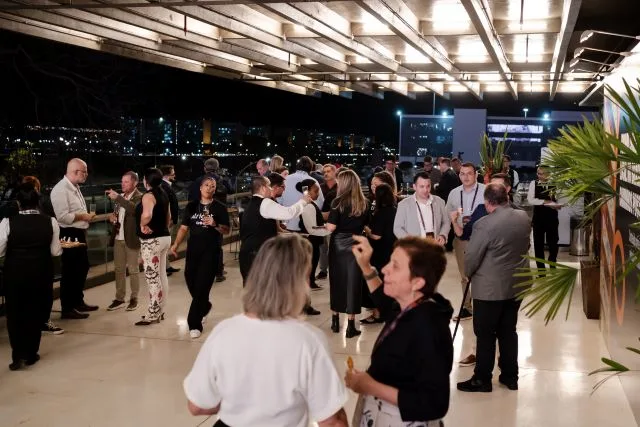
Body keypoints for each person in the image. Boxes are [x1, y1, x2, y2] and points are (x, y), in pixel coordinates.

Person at [183, 234, 349, 427]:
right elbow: (333, 422)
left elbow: (197, 406)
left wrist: (238, 403)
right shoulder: (308, 340)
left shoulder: (224, 331)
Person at [346, 234, 453, 425]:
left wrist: (369, 385)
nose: (385, 269)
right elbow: (386, 303)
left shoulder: (429, 328)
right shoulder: (410, 306)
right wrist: (366, 267)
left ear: (417, 282)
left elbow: (434, 403)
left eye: (395, 266)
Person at [457, 183, 531, 393]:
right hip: (516, 284)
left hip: (490, 288)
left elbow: (472, 257)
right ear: (506, 197)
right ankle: (510, 376)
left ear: (488, 202)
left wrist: (468, 272)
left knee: (486, 333)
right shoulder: (523, 218)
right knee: (509, 331)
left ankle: (482, 379)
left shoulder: (484, 224)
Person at [1, 183, 63, 370]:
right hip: (41, 272)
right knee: (35, 312)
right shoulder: (50, 221)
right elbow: (56, 251)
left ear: (18, 203)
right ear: (38, 203)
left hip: (15, 273)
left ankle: (17, 354)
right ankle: (31, 353)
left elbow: (0, 250)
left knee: (15, 314)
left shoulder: (7, 222)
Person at [171, 177, 230, 338]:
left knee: (202, 286)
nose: (210, 188)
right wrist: (176, 244)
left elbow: (226, 230)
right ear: (200, 188)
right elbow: (183, 228)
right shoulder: (191, 206)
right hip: (193, 251)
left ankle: (194, 324)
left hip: (211, 252)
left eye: (213, 186)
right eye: (207, 185)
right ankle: (205, 306)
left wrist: (214, 225)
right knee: (190, 280)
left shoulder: (219, 208)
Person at [50, 158, 98, 319]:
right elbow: (62, 217)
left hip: (77, 233)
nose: (86, 174)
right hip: (68, 233)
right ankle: (67, 307)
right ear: (75, 171)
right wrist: (83, 216)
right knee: (70, 270)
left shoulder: (74, 187)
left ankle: (77, 301)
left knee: (82, 267)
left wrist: (84, 218)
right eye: (84, 171)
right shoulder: (60, 189)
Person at [239, 176, 310, 283]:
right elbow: (289, 213)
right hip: (259, 255)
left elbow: (262, 230)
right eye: (269, 186)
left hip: (247, 253)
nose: (271, 189)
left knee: (253, 292)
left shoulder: (250, 204)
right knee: (263, 291)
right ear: (263, 188)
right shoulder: (265, 203)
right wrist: (303, 202)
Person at [326, 170, 369, 338]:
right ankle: (351, 325)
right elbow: (366, 225)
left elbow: (331, 228)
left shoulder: (337, 202)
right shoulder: (364, 202)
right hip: (356, 244)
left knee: (337, 281)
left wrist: (323, 226)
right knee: (354, 283)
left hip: (338, 245)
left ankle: (335, 321)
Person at [445, 162, 485, 321]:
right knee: (465, 274)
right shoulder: (454, 193)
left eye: (469, 173)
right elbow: (448, 214)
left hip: (482, 237)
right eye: (462, 173)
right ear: (459, 175)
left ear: (476, 175)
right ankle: (467, 308)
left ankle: (483, 306)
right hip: (461, 237)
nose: (466, 177)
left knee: (482, 274)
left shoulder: (485, 191)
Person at [135, 168, 172, 326]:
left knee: (152, 277)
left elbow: (147, 215)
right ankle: (161, 311)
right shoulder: (163, 193)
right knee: (161, 275)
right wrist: (159, 227)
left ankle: (153, 313)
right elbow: (168, 217)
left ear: (146, 181)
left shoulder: (148, 195)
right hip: (165, 237)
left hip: (152, 241)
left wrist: (143, 224)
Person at [106, 171, 143, 312]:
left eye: (126, 182)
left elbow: (133, 209)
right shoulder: (121, 198)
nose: (123, 184)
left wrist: (118, 198)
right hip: (118, 238)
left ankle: (134, 298)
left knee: (133, 270)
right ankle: (119, 298)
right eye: (122, 181)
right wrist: (112, 217)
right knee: (119, 270)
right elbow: (116, 214)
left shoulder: (140, 197)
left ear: (135, 183)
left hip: (131, 239)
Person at [361, 183, 396, 324]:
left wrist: (366, 229)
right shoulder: (395, 209)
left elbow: (376, 236)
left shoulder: (381, 213)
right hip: (392, 249)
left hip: (380, 252)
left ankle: (378, 314)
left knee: (378, 284)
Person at [394, 171, 450, 244]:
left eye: (428, 186)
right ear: (414, 187)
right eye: (422, 186)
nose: (425, 190)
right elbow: (397, 228)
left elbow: (446, 222)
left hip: (435, 246)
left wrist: (443, 235)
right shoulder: (403, 204)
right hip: (414, 248)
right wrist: (410, 242)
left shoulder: (440, 202)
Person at [297, 179, 331, 291]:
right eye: (316, 191)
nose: (318, 193)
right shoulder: (308, 205)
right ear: (307, 191)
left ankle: (311, 281)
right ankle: (310, 282)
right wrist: (329, 229)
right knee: (312, 261)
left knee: (313, 260)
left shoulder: (309, 204)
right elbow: (312, 228)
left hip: (312, 239)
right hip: (311, 240)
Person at [528, 166, 563, 269]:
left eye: (542, 174)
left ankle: (552, 264)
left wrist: (558, 205)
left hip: (552, 218)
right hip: (538, 218)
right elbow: (531, 200)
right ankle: (541, 270)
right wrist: (544, 201)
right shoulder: (533, 183)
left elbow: (560, 198)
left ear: (549, 174)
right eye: (538, 173)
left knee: (553, 243)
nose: (539, 176)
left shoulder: (556, 184)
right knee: (538, 244)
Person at [281, 156, 324, 232]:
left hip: (286, 225)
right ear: (311, 168)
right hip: (306, 227)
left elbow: (279, 201)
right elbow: (320, 204)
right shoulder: (313, 181)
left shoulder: (285, 179)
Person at [317, 164, 338, 280]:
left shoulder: (340, 187)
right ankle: (323, 270)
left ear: (334, 172)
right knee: (323, 247)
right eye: (324, 171)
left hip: (336, 222)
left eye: (329, 171)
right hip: (323, 221)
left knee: (334, 247)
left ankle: (334, 270)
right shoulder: (320, 188)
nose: (325, 173)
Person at [160, 165, 180, 276]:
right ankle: (164, 268)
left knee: (166, 245)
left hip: (169, 220)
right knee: (164, 245)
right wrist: (170, 219)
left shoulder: (166, 185)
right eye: (173, 173)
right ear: (166, 175)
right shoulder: (164, 186)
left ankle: (167, 267)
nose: (174, 175)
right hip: (168, 221)